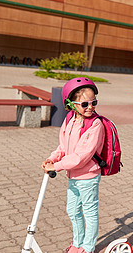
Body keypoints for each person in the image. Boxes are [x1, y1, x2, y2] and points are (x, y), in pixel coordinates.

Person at [42, 77, 105, 253]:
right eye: (85, 104)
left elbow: (81, 157)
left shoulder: (95, 125)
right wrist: (53, 158)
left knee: (90, 212)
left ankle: (88, 246)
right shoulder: (69, 119)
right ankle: (77, 242)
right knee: (72, 210)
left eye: (94, 102)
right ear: (70, 104)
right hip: (73, 175)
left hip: (88, 176)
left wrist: (58, 166)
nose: (90, 107)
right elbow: (63, 146)